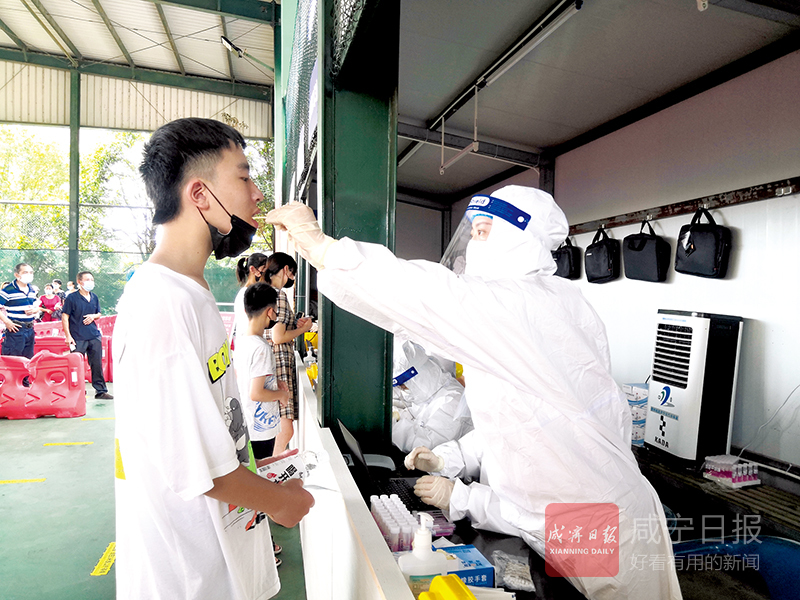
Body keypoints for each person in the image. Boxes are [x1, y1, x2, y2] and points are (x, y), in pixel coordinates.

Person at [266, 187, 682, 600]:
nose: (471, 249)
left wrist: (325, 249)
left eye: (482, 232)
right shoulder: (537, 305)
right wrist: (452, 458)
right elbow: (523, 424)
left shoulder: (524, 307)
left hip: (597, 526)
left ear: (519, 238)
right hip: (574, 519)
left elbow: (428, 294)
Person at [113, 117, 313, 600]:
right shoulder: (162, 303)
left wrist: (262, 472)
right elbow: (194, 466)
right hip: (186, 576)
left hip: (216, 554)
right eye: (244, 177)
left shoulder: (193, 292)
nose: (257, 194)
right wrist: (282, 502)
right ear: (200, 195)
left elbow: (204, 427)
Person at [233, 282, 290, 460]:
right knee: (262, 470)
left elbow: (246, 380)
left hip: (248, 424)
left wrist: (274, 384)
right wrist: (281, 395)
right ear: (270, 312)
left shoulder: (242, 341)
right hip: (261, 430)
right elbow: (256, 393)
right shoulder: (261, 348)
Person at [263, 253, 312, 456]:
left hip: (268, 361)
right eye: (292, 273)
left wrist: (295, 324)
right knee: (286, 428)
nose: (292, 278)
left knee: (274, 426)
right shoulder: (279, 295)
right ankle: (270, 471)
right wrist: (303, 329)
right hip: (280, 361)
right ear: (285, 270)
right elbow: (278, 336)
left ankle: (267, 469)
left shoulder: (263, 291)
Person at [391, 338, 472, 453]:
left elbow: (425, 445)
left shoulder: (451, 400)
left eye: (404, 386)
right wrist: (399, 415)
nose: (403, 390)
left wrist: (392, 427)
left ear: (417, 378)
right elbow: (417, 416)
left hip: (453, 468)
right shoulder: (431, 393)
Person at [62, 271, 113, 400]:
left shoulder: (94, 297)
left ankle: (100, 390)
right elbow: (65, 316)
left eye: (92, 279)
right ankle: (78, 391)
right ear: (79, 282)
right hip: (77, 337)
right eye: (87, 279)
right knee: (77, 364)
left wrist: (93, 316)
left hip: (93, 335)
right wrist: (68, 336)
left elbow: (99, 313)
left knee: (96, 363)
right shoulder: (71, 298)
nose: (90, 282)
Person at [0, 263, 40, 366]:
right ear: (17, 275)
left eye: (31, 272)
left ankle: (25, 380)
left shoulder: (32, 289)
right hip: (16, 328)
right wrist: (7, 321)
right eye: (25, 272)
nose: (29, 274)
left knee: (28, 359)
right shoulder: (8, 290)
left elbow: (36, 305)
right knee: (14, 359)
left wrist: (35, 310)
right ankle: (13, 381)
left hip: (30, 328)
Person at [233, 252, 269, 345]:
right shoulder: (248, 294)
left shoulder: (250, 292)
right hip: (249, 345)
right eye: (263, 269)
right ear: (252, 269)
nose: (266, 274)